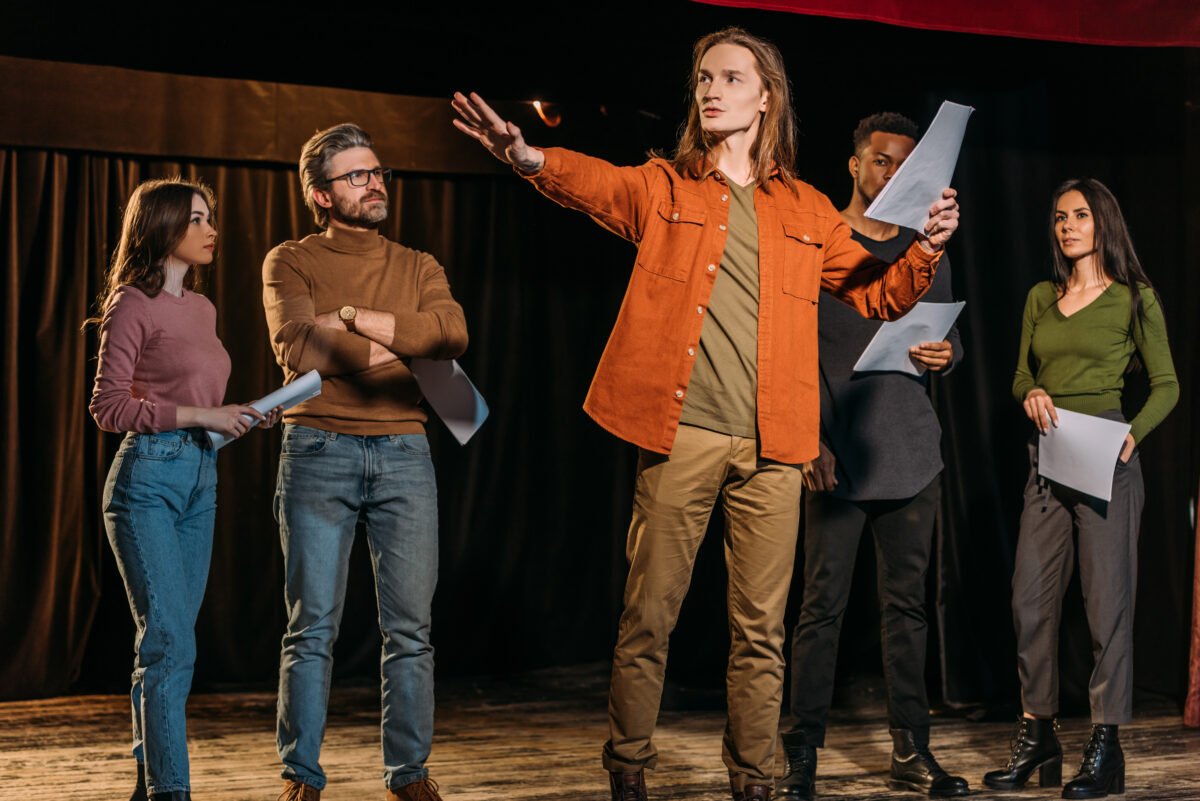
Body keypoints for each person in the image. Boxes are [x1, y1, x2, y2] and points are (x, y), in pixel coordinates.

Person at [452, 27, 959, 801]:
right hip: (682, 431)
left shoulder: (806, 207)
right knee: (649, 614)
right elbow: (598, 184)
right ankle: (628, 766)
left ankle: (755, 778)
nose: (711, 90)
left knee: (761, 630)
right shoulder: (668, 187)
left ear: (765, 97)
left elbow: (877, 291)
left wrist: (924, 248)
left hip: (775, 446)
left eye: (729, 78)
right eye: (702, 79)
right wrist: (528, 157)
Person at [262, 123, 468, 801]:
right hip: (317, 446)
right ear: (321, 194)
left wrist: (354, 319)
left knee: (411, 629)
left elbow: (453, 333)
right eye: (356, 175)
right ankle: (302, 775)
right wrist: (407, 347)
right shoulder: (289, 260)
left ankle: (407, 775)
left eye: (377, 171)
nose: (374, 182)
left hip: (406, 453)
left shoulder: (420, 263)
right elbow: (300, 346)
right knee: (312, 626)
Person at [779, 112, 968, 800]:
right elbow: (789, 354)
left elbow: (947, 338)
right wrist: (810, 440)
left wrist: (948, 355)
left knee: (908, 610)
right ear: (855, 166)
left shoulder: (924, 249)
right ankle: (801, 751)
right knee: (820, 608)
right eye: (882, 160)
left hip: (912, 452)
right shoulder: (820, 244)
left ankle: (910, 749)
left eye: (906, 164)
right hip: (837, 454)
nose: (894, 173)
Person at [984, 178, 1177, 799]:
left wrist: (1132, 437)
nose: (1067, 226)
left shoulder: (1132, 299)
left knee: (1106, 607)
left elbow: (1167, 386)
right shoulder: (1042, 296)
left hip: (1107, 461)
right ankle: (1038, 734)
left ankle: (1106, 745)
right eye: (1060, 217)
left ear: (1104, 225)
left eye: (1081, 216)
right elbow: (1019, 374)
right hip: (1048, 460)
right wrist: (1032, 393)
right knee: (1029, 602)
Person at [88, 178, 279, 801]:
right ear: (164, 225)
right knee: (170, 643)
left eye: (212, 218)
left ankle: (152, 788)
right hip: (147, 478)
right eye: (197, 219)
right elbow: (109, 406)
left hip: (202, 477)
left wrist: (240, 414)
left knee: (168, 644)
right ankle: (172, 792)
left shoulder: (202, 308)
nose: (211, 229)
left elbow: (196, 402)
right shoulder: (131, 304)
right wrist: (204, 416)